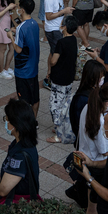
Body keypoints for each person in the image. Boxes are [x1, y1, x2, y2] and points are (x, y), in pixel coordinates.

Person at [75, 82, 108, 214]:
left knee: (91, 202)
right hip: (96, 165)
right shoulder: (101, 121)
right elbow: (105, 151)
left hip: (85, 156)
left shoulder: (88, 107)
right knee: (94, 207)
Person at [0, 99, 41, 209]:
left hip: (18, 204)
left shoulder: (20, 155)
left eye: (7, 119)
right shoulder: (25, 142)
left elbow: (4, 189)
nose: (6, 122)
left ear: (16, 124)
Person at [47, 14, 78, 143]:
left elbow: (54, 61)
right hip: (69, 77)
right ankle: (60, 125)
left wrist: (50, 62)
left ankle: (59, 133)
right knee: (65, 103)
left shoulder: (61, 42)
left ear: (64, 27)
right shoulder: (74, 39)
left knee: (55, 105)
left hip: (59, 78)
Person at [10, 0, 41, 115]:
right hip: (33, 67)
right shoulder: (34, 24)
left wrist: (11, 37)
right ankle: (34, 121)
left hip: (23, 70)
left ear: (22, 10)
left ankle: (26, 122)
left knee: (24, 100)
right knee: (35, 98)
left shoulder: (21, 28)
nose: (17, 9)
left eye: (18, 8)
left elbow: (18, 48)